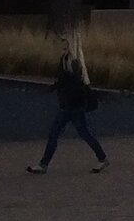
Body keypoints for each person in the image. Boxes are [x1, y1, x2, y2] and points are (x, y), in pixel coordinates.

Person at [28, 30, 108, 174]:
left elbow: (73, 84)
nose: (61, 46)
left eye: (64, 44)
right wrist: (55, 87)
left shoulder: (72, 62)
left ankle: (43, 164)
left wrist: (61, 91)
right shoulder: (69, 60)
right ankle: (102, 158)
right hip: (73, 105)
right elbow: (68, 82)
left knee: (57, 133)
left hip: (70, 106)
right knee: (83, 133)